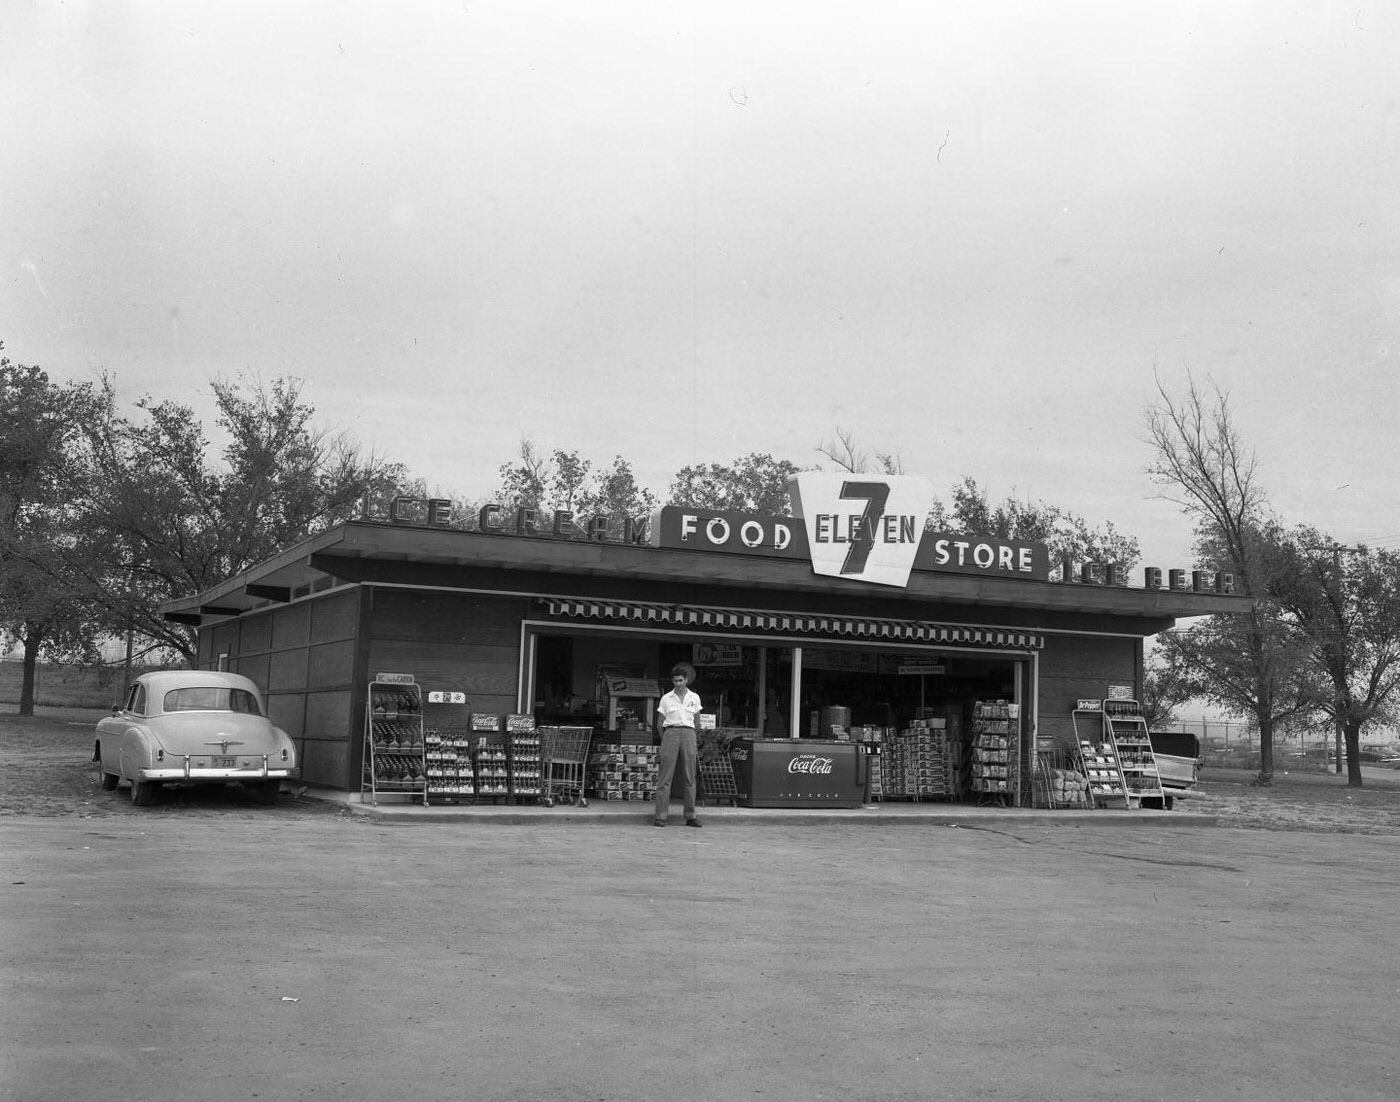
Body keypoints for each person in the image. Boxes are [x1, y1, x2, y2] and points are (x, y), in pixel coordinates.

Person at [653, 661, 703, 827]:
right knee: (665, 777)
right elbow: (660, 723)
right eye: (675, 681)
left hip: (688, 733)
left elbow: (697, 721)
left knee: (690, 776)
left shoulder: (694, 697)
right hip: (671, 732)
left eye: (681, 680)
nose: (678, 683)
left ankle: (690, 815)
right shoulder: (666, 698)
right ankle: (660, 816)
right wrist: (666, 737)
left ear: (686, 680)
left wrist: (690, 735)